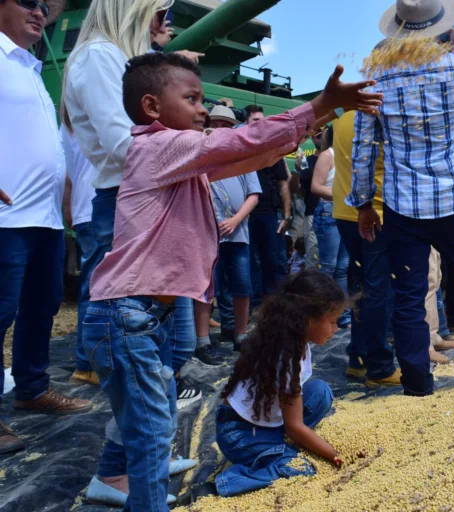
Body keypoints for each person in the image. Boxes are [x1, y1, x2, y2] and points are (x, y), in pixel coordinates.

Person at [79, 50, 381, 511]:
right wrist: (319, 105)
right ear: (152, 107)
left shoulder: (179, 157)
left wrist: (313, 120)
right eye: (193, 98)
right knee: (151, 429)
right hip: (126, 315)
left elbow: (251, 154)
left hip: (139, 314)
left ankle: (110, 476)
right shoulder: (162, 146)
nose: (204, 108)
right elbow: (243, 141)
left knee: (145, 413)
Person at [62, 0, 204, 416]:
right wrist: (204, 148)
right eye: (162, 13)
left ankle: (140, 452)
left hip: (146, 198)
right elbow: (127, 148)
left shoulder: (113, 57)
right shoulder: (99, 57)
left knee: (168, 345)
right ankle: (133, 464)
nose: (165, 24)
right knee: (150, 345)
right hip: (132, 203)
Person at [349, 0, 454, 395]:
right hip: (453, 195)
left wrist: (363, 203)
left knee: (409, 294)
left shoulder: (376, 78)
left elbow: (365, 148)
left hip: (401, 203)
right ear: (441, 26)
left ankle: (416, 383)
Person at [0, 0, 92, 455]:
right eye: (27, 2)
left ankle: (31, 388)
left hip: (46, 217)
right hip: (7, 218)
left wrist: (67, 201)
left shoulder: (30, 68)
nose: (39, 12)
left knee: (42, 306)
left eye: (44, 6)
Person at [214, 270, 343, 497]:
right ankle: (233, 480)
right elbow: (295, 426)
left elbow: (293, 403)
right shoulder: (287, 357)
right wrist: (335, 454)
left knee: (320, 392)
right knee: (298, 468)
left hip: (264, 422)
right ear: (307, 320)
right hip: (239, 433)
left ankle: (274, 446)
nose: (336, 330)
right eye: (332, 322)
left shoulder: (293, 337)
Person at [332, 110, 400, 388]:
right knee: (378, 292)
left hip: (343, 211)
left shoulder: (340, 118)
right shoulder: (384, 119)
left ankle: (358, 359)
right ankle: (380, 366)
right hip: (375, 213)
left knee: (360, 287)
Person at [193, 105, 261, 361]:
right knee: (205, 287)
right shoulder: (200, 154)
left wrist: (236, 219)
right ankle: (202, 341)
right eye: (216, 123)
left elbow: (253, 195)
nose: (220, 128)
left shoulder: (242, 159)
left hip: (238, 235)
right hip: (206, 234)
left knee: (242, 285)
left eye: (226, 124)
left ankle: (240, 336)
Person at [61, 125, 99, 386]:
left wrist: (69, 208)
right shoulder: (100, 115)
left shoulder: (70, 122)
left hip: (85, 210)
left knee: (93, 288)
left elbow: (67, 174)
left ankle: (88, 362)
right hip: (100, 209)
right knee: (98, 290)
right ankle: (87, 364)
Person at [245, 107, 293, 309]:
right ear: (246, 123)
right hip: (244, 215)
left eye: (262, 121)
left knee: (273, 261)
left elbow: (283, 184)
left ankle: (275, 305)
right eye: (255, 120)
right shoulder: (239, 149)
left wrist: (287, 216)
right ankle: (255, 304)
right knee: (250, 263)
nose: (259, 124)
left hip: (269, 213)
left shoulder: (273, 151)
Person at [311, 124, 352, 328]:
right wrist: (344, 195)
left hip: (345, 214)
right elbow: (316, 187)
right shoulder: (328, 155)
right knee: (328, 267)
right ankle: (320, 316)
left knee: (343, 268)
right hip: (329, 212)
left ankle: (341, 316)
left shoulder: (348, 154)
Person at [294, 130, 323, 267]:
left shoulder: (337, 159)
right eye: (318, 136)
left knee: (336, 263)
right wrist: (296, 170)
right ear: (312, 139)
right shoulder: (307, 161)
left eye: (324, 135)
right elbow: (296, 189)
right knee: (313, 257)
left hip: (335, 213)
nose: (322, 139)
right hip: (313, 213)